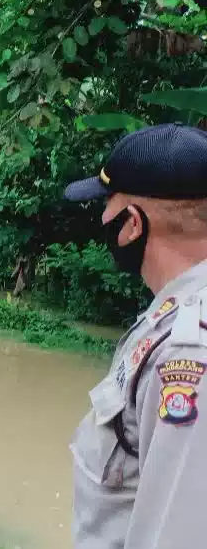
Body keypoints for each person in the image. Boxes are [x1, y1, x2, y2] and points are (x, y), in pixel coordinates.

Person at [64, 123, 207, 549]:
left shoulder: (187, 352)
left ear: (131, 224)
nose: (102, 219)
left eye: (108, 205)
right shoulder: (172, 314)